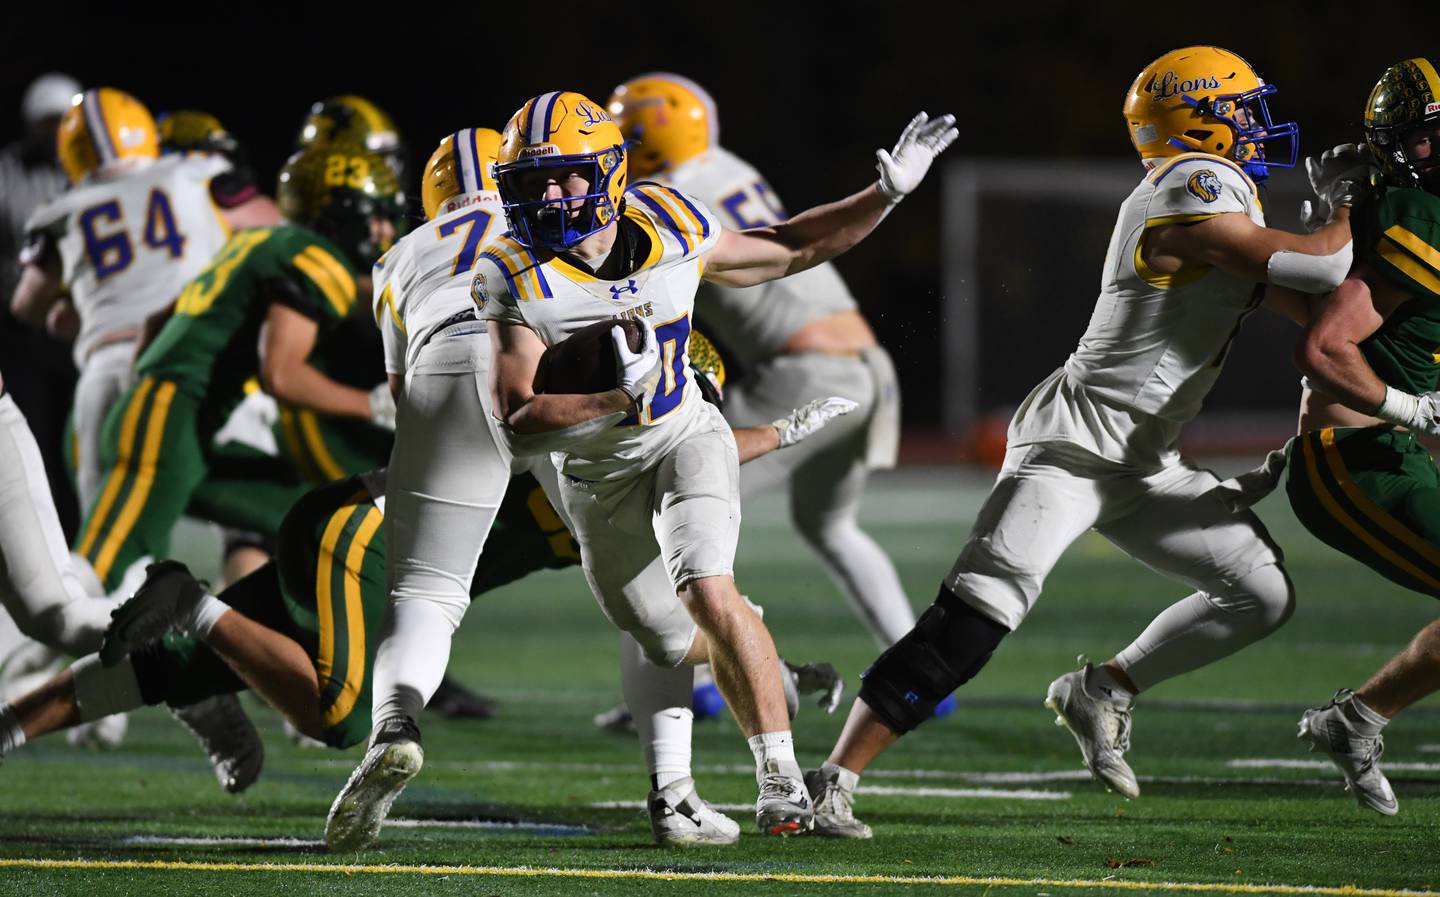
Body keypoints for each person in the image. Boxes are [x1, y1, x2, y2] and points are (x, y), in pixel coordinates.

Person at [807, 46, 1362, 839]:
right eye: (1238, 107)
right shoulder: (1188, 184)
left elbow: (1319, 304)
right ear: (1194, 116)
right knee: (973, 617)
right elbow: (1324, 264)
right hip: (1071, 446)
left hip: (1143, 462)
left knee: (1261, 593)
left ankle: (1104, 687)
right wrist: (1346, 205)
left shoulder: (1214, 203)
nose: (1252, 122)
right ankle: (831, 779)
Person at [382, 89, 950, 846]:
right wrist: (618, 395)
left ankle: (779, 779)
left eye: (567, 177)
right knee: (662, 635)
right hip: (593, 476)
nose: (550, 195)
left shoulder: (672, 222)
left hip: (688, 435)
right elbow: (518, 421)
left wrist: (883, 195)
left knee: (706, 584)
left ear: (611, 171)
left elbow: (790, 246)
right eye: (532, 180)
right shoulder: (509, 273)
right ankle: (768, 674)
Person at [606, 74, 917, 657]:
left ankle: (689, 683)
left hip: (806, 373)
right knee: (830, 526)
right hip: (869, 365)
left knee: (668, 505)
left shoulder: (662, 199)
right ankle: (920, 670)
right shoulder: (725, 167)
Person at [71, 141, 404, 594]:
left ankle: (272, 643)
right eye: (375, 215)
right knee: (96, 581)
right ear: (339, 211)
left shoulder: (257, 240)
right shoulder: (316, 259)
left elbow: (157, 318)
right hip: (170, 419)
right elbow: (281, 376)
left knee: (303, 514)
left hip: (187, 425)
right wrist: (370, 405)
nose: (383, 229)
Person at [1284, 57, 1440, 817]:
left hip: (1388, 453)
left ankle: (1357, 719)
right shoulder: (1420, 215)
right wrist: (1413, 410)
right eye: (1428, 139)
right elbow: (1322, 346)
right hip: (1353, 460)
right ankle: (1358, 718)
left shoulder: (1403, 206)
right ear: (1393, 143)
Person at [12, 88, 236, 511]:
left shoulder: (60, 211)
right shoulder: (193, 172)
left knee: (106, 532)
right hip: (194, 357)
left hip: (108, 363)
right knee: (241, 520)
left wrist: (79, 310)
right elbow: (267, 227)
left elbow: (27, 304)